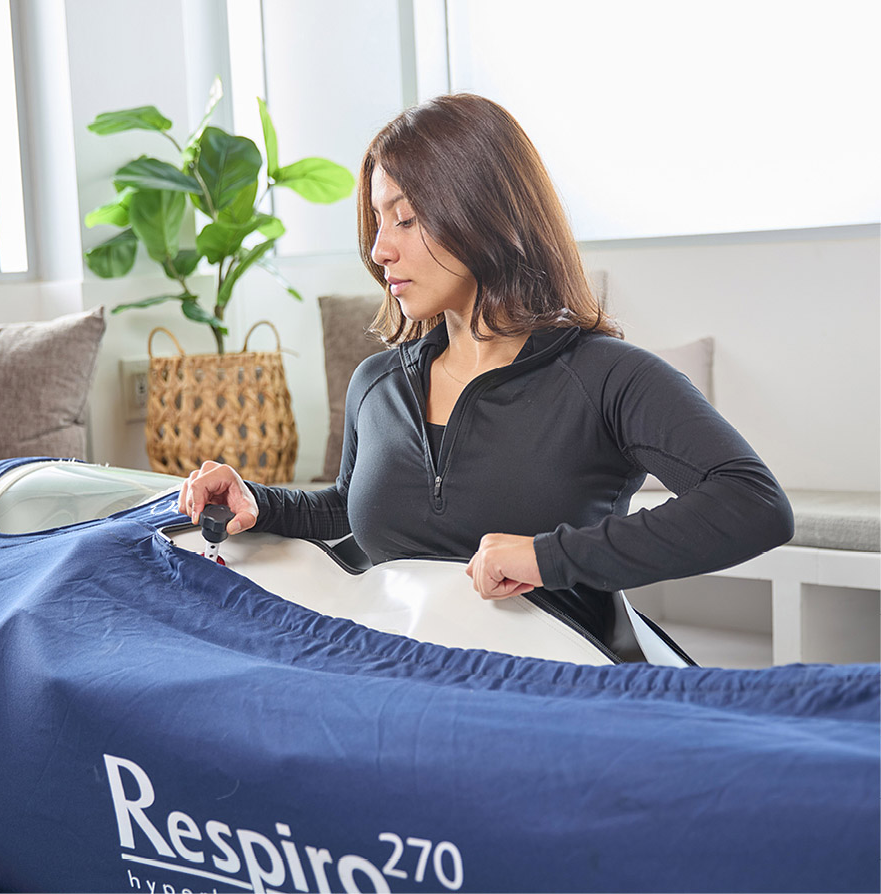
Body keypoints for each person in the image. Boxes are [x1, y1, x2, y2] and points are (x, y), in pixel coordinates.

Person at [179, 93, 794, 643]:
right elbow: (349, 508)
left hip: (548, 689)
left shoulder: (607, 377)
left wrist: (548, 558)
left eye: (407, 218)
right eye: (377, 220)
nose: (378, 248)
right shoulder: (377, 383)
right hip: (398, 686)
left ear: (481, 212)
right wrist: (257, 501)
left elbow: (753, 502)